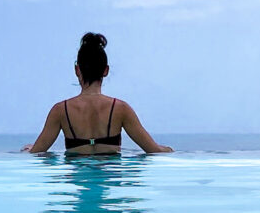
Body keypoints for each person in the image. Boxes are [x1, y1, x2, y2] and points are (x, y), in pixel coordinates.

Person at [22, 32, 174, 155]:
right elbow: (153, 151)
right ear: (106, 70)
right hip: (109, 177)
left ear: (77, 70)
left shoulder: (60, 110)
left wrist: (30, 149)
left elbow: (37, 152)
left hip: (78, 181)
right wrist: (169, 149)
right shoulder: (121, 109)